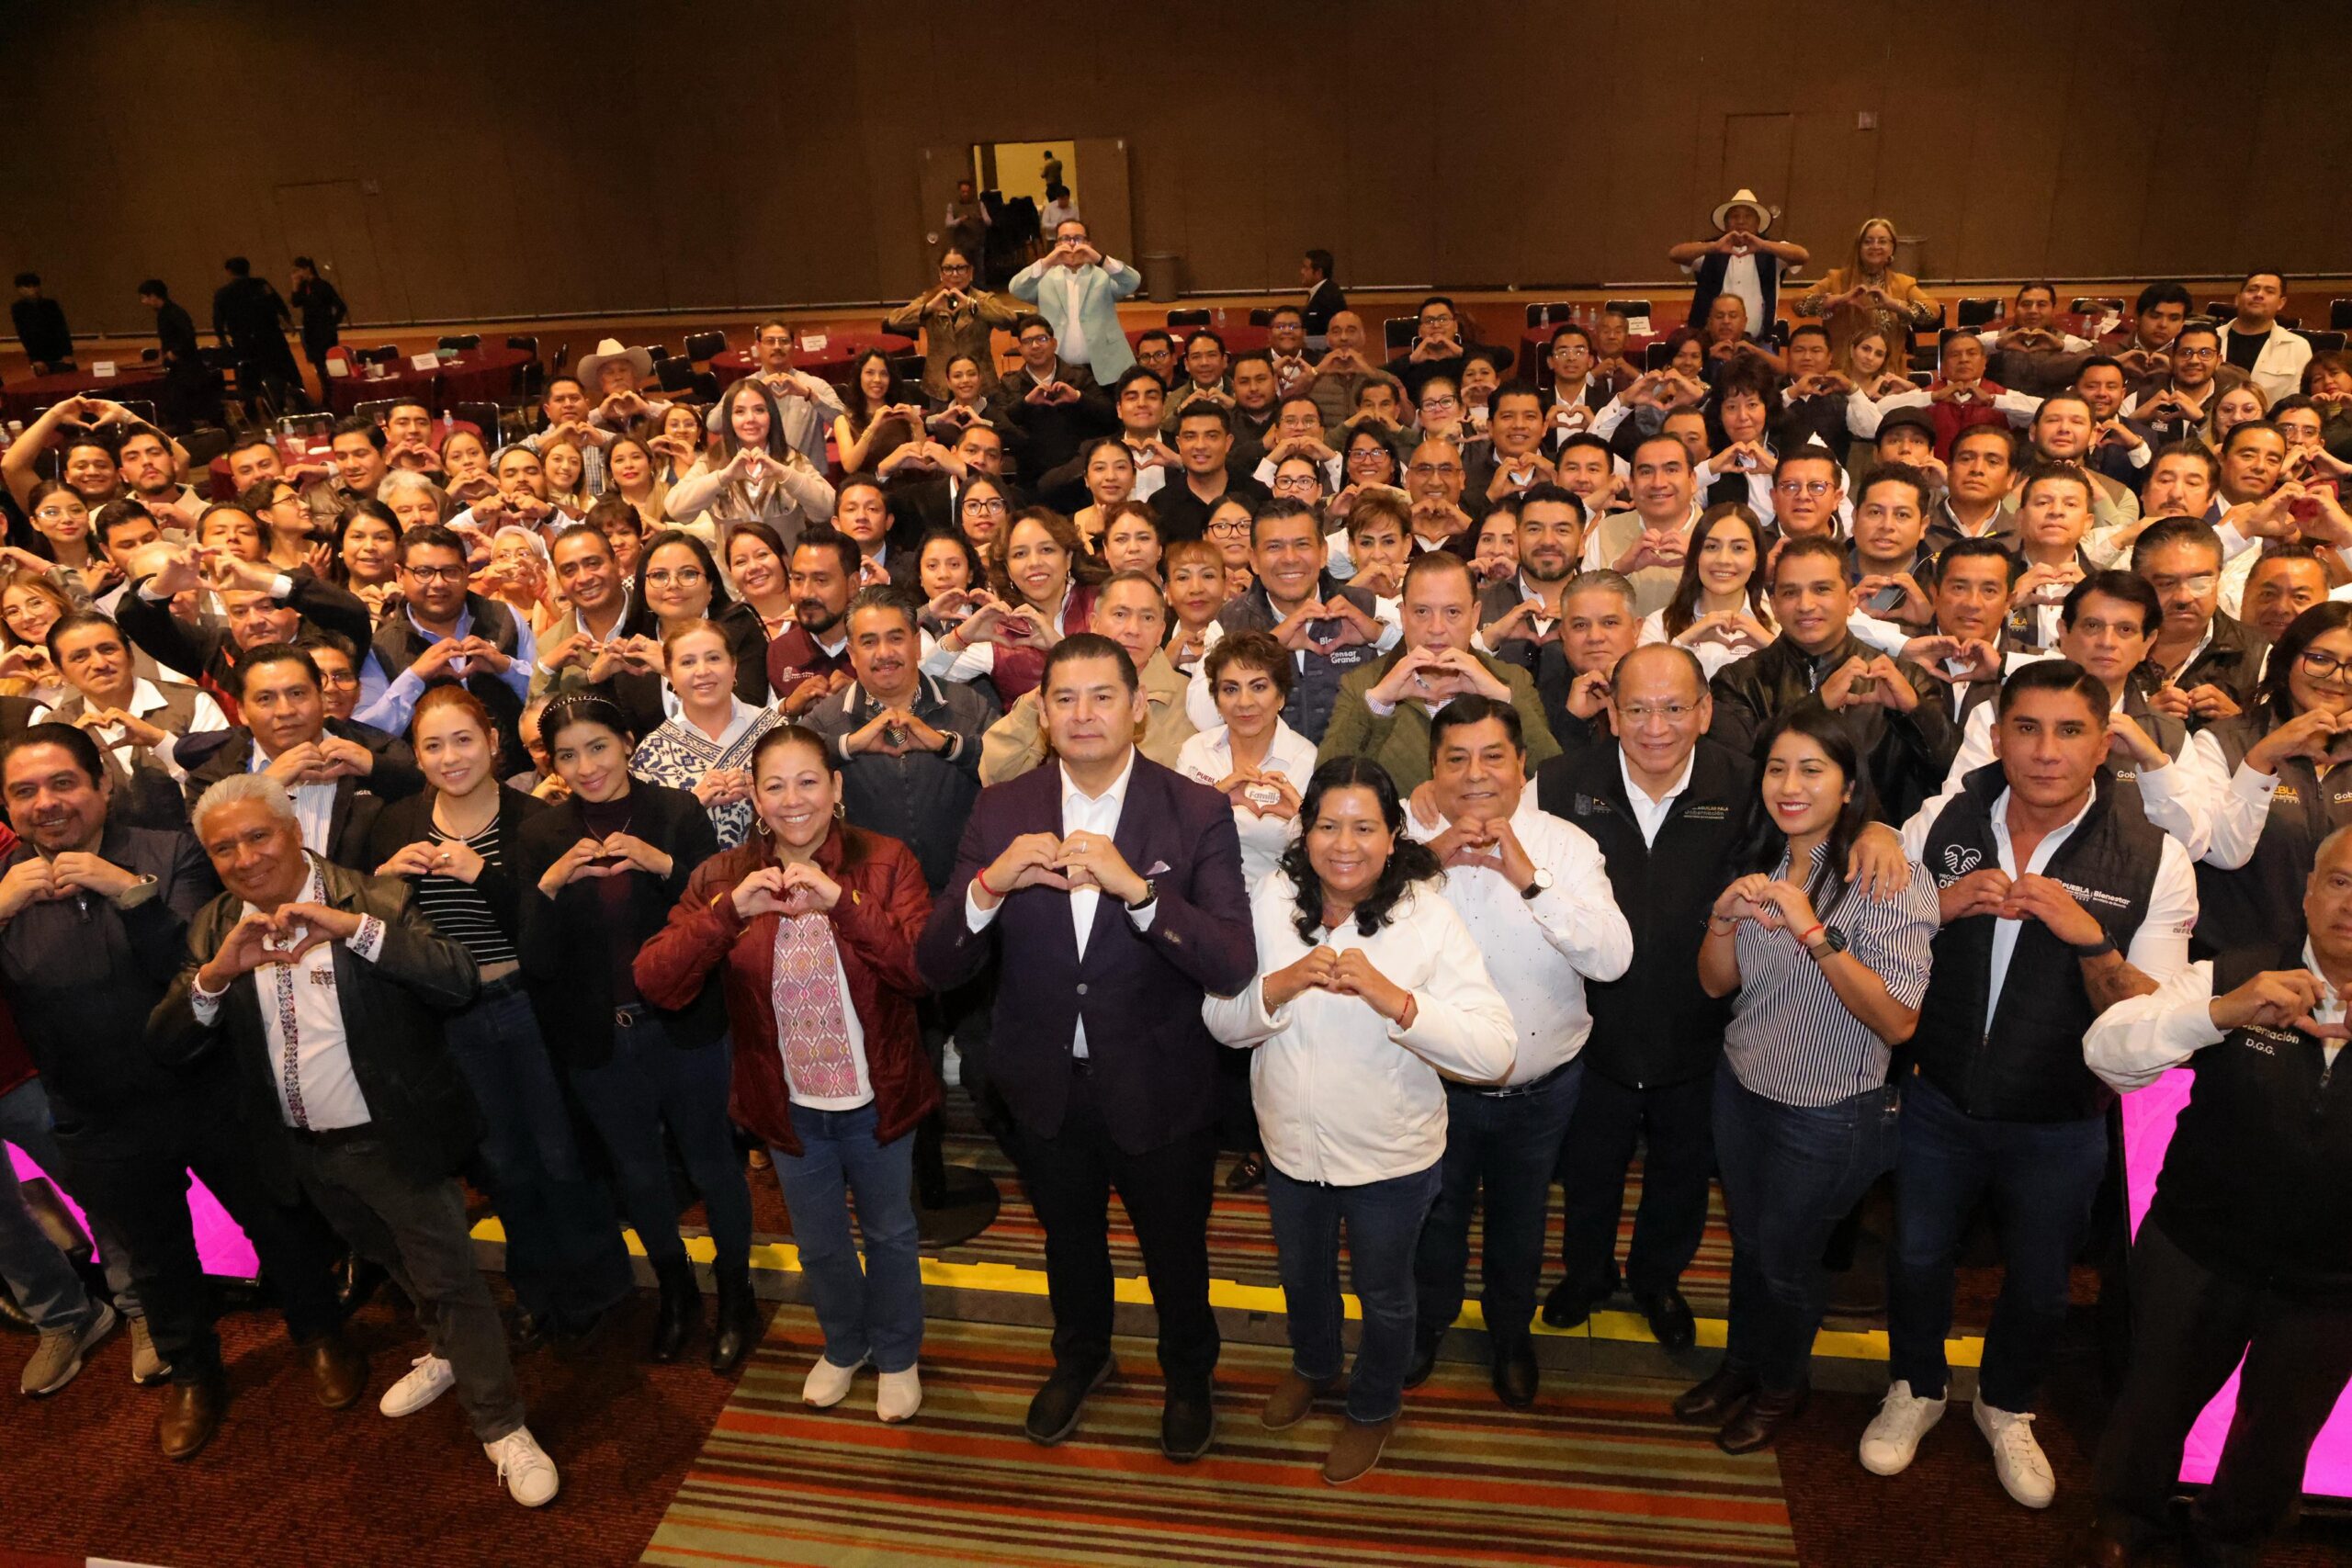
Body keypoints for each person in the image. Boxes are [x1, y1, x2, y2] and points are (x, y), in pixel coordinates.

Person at [153, 772, 557, 1506]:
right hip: (303, 1149)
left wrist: (354, 931)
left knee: (450, 1281)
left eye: (257, 836)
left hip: (394, 1135)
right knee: (385, 1256)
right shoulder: (214, 925)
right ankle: (445, 1352)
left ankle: (502, 1423)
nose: (244, 858)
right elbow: (168, 1041)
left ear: (294, 831)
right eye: (223, 848)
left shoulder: (373, 896)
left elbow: (456, 979)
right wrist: (214, 975)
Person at [1860, 660, 2195, 1508]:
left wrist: (2092, 941)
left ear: (2103, 743)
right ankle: (1916, 1385)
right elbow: (1870, 936)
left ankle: (2006, 1403)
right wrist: (1937, 906)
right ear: (1998, 736)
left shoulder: (2154, 856)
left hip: (2061, 1116)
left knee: (2043, 1285)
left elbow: (2155, 1019)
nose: (2047, 750)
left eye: (2070, 731)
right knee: (1916, 1256)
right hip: (1938, 1094)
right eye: (2028, 728)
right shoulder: (1944, 819)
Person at [915, 633, 1254, 1462]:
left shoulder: (1194, 808)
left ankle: (1188, 1375)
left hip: (1160, 1080)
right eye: (1064, 698)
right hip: (1042, 1080)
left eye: (1103, 696)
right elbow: (935, 962)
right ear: (1042, 713)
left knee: (1175, 1248)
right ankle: (1082, 1356)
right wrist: (989, 886)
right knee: (1068, 1240)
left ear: (1139, 708)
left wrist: (1141, 892)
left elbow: (1231, 961)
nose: (1083, 714)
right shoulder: (1003, 808)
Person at [0, 727, 350, 1454]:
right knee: (155, 1259)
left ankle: (321, 1334)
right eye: (24, 791)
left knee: (276, 1222)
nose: (47, 803)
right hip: (95, 1111)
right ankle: (193, 1372)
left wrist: (126, 891)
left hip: (207, 1084)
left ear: (101, 783)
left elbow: (200, 962)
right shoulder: (5, 886)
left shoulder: (170, 851)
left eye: (63, 783)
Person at [1203, 753, 1512, 1483]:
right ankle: (1314, 1366)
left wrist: (1397, 1001)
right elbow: (1219, 1020)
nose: (1345, 844)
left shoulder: (1427, 915)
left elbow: (1496, 1050)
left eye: (1365, 827)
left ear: (1394, 833)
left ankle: (1374, 1405)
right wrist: (1277, 987)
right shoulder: (1274, 896)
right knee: (1303, 1277)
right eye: (1328, 825)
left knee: (1385, 1294)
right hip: (1289, 1147)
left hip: (1390, 1158)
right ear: (1305, 830)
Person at [636, 724, 938, 1422]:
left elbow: (921, 972)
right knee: (820, 1240)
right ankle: (845, 1344)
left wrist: (843, 903)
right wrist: (728, 913)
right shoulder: (724, 875)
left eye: (809, 782)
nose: (793, 799)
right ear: (754, 797)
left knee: (891, 1232)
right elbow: (656, 980)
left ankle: (898, 1353)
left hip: (878, 1092)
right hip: (788, 1100)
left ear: (837, 787)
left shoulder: (886, 860)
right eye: (775, 785)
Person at [2079, 827, 2352, 1568]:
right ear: (2307, 891)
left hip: (2333, 1280)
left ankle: (2230, 1541)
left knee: (2280, 1434)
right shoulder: (2234, 972)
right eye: (2339, 882)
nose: (2351, 905)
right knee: (2153, 1401)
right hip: (2198, 1246)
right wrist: (2219, 1013)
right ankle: (2124, 1521)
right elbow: (2105, 1052)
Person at [1678, 707, 1935, 1454]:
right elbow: (1716, 985)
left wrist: (1815, 932)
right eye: (1777, 769)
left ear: (1850, 785)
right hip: (1742, 1085)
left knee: (1788, 1262)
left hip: (1830, 1108)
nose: (1789, 785)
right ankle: (1741, 1365)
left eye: (1812, 770)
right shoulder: (1760, 860)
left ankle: (1781, 1386)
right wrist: (1723, 918)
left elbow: (1899, 1020)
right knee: (1750, 1245)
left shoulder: (1886, 876)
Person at [366, 687, 632, 1351]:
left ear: (492, 742)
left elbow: (553, 933)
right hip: (451, 1015)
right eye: (433, 745)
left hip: (529, 1005)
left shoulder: (536, 820)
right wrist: (384, 882)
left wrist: (482, 874)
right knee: (502, 1162)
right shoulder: (397, 823)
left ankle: (598, 1287)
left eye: (463, 739)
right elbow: (381, 936)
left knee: (561, 1153)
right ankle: (537, 1292)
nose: (450, 757)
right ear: (416, 756)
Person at [514, 693, 755, 1371]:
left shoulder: (676, 813)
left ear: (627, 742)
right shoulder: (540, 834)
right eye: (567, 755)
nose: (586, 766)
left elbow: (720, 918)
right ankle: (676, 1292)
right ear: (552, 764)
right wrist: (549, 887)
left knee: (713, 1162)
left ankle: (737, 1294)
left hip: (685, 1025)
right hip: (600, 1039)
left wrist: (663, 864)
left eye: (598, 746)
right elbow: (537, 960)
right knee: (638, 1172)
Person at [1401, 697, 1631, 1406]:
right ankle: (1428, 1324)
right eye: (1457, 758)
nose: (1476, 774)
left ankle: (1509, 1334)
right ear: (1433, 768)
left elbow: (1613, 959)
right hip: (1429, 1085)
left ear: (1522, 764)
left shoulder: (1565, 846)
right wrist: (1426, 863)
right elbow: (1352, 933)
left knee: (1522, 1221)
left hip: (1541, 1090)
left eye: (1493, 756)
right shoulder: (1401, 839)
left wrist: (1530, 879)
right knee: (1432, 1220)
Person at [1537, 646, 1747, 1341]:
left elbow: (1829, 818)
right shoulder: (1561, 783)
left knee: (1682, 1171)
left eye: (1674, 707)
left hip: (1701, 1020)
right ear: (1612, 712)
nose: (1656, 727)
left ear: (1705, 711)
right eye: (1637, 709)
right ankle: (1586, 1273)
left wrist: (1875, 830)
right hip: (1589, 1023)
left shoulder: (1745, 785)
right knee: (1588, 1167)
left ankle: (1658, 1279)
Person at [1707, 536, 1959, 824]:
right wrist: (1818, 705)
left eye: (1821, 589)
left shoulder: (1905, 679)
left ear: (1851, 600)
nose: (1805, 605)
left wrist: (1915, 712)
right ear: (1773, 605)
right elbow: (1735, 779)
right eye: (1790, 592)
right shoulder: (1737, 682)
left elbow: (1953, 777)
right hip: (1768, 845)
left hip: (1874, 842)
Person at [801, 587, 995, 892]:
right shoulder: (827, 719)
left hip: (965, 893)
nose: (884, 653)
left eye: (895, 638)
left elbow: (1012, 768)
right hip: (868, 900)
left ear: (916, 645)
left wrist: (948, 745)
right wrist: (849, 745)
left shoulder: (969, 706)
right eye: (869, 642)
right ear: (851, 654)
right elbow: (784, 762)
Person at [1319, 552, 1561, 793]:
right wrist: (1378, 703)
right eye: (1422, 612)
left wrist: (1502, 699)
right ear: (1403, 615)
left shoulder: (1512, 682)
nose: (1436, 628)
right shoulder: (1363, 685)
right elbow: (1325, 787)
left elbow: (1554, 784)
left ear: (1475, 616)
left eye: (1452, 612)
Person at [2196, 602, 2352, 959]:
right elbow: (2220, 851)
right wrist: (2263, 758)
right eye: (2320, 659)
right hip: (2235, 964)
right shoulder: (2222, 742)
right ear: (2286, 659)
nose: (2336, 677)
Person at [181, 644, 424, 867]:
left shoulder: (379, 752)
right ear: (242, 711)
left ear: (321, 698)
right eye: (265, 699)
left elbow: (430, 804)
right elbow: (199, 861)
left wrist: (377, 768)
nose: (285, 711)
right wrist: (262, 788)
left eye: (297, 694)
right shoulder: (212, 775)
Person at [978, 570, 1194, 783]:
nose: (1133, 629)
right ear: (1095, 624)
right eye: (1120, 615)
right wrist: (1064, 675)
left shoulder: (1188, 697)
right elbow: (995, 774)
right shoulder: (1059, 694)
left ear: (1160, 631)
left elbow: (1176, 784)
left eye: (1147, 618)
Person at [354, 525, 536, 764]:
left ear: (466, 571)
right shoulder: (380, 647)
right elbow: (365, 737)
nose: (438, 583)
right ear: (399, 574)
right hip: (426, 782)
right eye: (424, 572)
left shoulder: (504, 618)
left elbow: (545, 699)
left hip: (517, 774)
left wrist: (506, 668)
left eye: (450, 571)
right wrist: (414, 678)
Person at [39, 609, 230, 829]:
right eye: (80, 657)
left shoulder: (193, 704)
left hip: (197, 839)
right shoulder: (54, 728)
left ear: (130, 655)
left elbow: (227, 787)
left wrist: (161, 742)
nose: (99, 664)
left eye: (108, 649)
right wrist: (68, 754)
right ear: (62, 672)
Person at [631, 618, 784, 848]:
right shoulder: (649, 755)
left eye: (714, 658)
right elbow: (643, 844)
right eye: (687, 662)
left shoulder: (779, 732)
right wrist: (690, 804)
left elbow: (812, 811)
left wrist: (761, 793)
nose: (702, 671)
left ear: (734, 666)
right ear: (669, 674)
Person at [666, 378, 838, 553]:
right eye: (740, 412)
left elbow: (827, 509)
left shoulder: (792, 460)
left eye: (759, 410)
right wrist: (724, 477)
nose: (750, 419)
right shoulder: (711, 462)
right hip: (732, 570)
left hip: (787, 567)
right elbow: (677, 510)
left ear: (771, 416)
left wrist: (784, 474)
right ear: (729, 418)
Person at [1009, 219, 1140, 382]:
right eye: (1065, 239)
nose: (1071, 244)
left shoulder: (1104, 275)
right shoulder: (1043, 278)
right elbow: (1016, 288)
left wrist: (1099, 259)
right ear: (1056, 245)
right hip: (1060, 370)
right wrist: (1047, 262)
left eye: (1078, 239)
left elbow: (1133, 281)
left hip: (1106, 367)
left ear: (1088, 244)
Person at [885, 249, 1019, 400]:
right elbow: (894, 321)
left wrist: (972, 305)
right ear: (940, 272)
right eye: (948, 269)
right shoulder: (930, 299)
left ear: (971, 271)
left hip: (980, 387)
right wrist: (929, 308)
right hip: (940, 387)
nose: (955, 274)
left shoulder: (983, 299)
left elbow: (1010, 319)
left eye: (961, 268)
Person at [1794, 218, 1940, 355]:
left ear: (1892, 248)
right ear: (1858, 247)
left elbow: (1933, 312)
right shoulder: (1837, 279)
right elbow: (1798, 304)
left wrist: (1894, 305)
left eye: (1882, 241)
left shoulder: (1903, 283)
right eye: (1868, 242)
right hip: (1843, 367)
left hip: (1889, 369)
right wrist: (1839, 300)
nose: (1875, 246)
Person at [1001, 315, 1115, 480]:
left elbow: (1109, 416)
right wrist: (1025, 403)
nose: (1035, 346)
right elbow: (999, 424)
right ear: (1020, 349)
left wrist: (1078, 398)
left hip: (1077, 476)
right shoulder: (1009, 383)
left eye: (1042, 339)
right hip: (1030, 477)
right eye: (1027, 341)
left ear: (1054, 343)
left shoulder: (1079, 376)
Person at [764, 527, 861, 718]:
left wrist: (865, 700)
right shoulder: (780, 651)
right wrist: (788, 708)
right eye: (798, 579)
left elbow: (909, 723)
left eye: (821, 580)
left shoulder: (883, 646)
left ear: (853, 585)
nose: (806, 593)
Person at [209, 256, 304, 412]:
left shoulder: (223, 293)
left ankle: (251, 409)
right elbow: (277, 302)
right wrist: (288, 320)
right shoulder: (261, 284)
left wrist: (222, 339)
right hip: (272, 337)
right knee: (284, 370)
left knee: (248, 375)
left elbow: (218, 319)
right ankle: (296, 402)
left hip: (245, 341)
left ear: (229, 272)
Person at [2217, 269, 2312, 405]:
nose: (2259, 295)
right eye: (2252, 290)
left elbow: (2297, 402)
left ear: (2281, 303)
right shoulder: (2211, 338)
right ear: (2237, 299)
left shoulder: (2297, 347)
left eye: (2269, 291)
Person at [288, 257, 347, 400]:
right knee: (319, 366)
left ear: (307, 269)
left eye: (298, 270)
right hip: (311, 331)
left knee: (330, 364)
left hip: (325, 332)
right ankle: (327, 395)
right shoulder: (303, 287)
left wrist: (332, 323)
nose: (296, 274)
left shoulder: (323, 286)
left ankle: (337, 394)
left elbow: (341, 307)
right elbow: (296, 302)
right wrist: (295, 284)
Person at [11, 271, 73, 373]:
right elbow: (24, 335)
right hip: (40, 356)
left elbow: (62, 329)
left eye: (35, 286)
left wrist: (67, 353)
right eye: (28, 287)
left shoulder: (51, 304)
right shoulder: (18, 309)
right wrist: (35, 358)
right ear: (20, 289)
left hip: (60, 353)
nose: (33, 290)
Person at [1299, 249, 1345, 340]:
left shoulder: (1328, 296)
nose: (1302, 272)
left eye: (1306, 268)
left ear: (1318, 273)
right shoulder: (1324, 291)